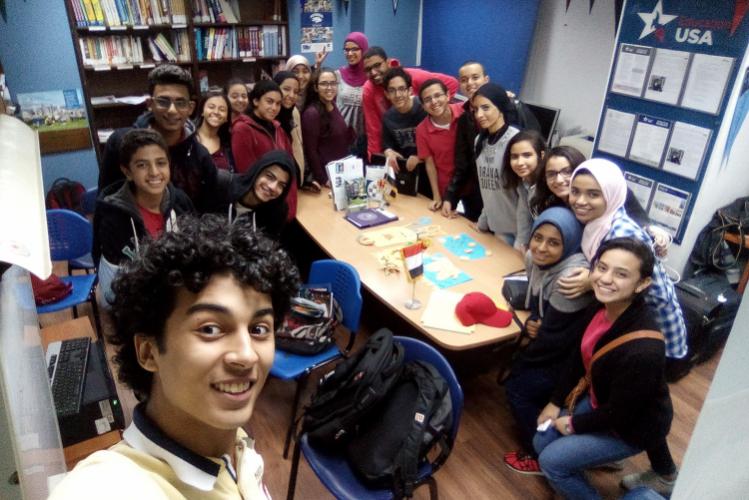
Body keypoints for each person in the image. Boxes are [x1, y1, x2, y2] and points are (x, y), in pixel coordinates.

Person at [50, 214, 300, 499]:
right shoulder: (109, 486)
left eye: (258, 329)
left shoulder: (235, 444)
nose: (247, 355)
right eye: (210, 328)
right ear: (148, 351)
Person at [533, 237, 677, 499]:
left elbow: (621, 414)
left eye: (621, 274)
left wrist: (575, 424)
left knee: (552, 462)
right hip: (607, 402)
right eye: (601, 267)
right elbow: (578, 357)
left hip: (632, 425)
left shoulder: (643, 350)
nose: (605, 279)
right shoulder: (603, 305)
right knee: (542, 440)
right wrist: (555, 402)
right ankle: (595, 457)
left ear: (642, 283)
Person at [557, 158, 687, 360]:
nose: (580, 201)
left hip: (653, 333)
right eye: (575, 192)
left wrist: (592, 280)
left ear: (612, 195)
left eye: (593, 194)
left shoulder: (623, 234)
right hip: (623, 316)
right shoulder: (600, 222)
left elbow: (655, 292)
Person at [503, 207, 592, 476]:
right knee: (518, 374)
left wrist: (521, 354)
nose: (541, 248)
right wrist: (535, 321)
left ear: (569, 243)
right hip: (557, 341)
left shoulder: (570, 278)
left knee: (517, 388)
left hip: (573, 357)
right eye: (537, 237)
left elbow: (555, 341)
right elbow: (541, 307)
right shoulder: (533, 257)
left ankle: (542, 453)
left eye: (554, 242)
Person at [98, 64, 218, 214]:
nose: (172, 110)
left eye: (180, 103)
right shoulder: (121, 143)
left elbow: (211, 212)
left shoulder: (200, 156)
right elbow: (105, 203)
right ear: (150, 104)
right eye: (163, 101)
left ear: (191, 108)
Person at [93, 129, 194, 304]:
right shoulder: (114, 218)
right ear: (127, 172)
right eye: (142, 165)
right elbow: (110, 293)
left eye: (161, 163)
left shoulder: (180, 202)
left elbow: (197, 257)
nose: (154, 172)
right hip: (136, 308)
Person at [361, 46, 459, 160]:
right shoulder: (369, 91)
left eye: (377, 65)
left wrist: (431, 108)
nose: (373, 72)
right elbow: (373, 129)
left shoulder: (413, 77)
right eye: (368, 69)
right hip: (401, 151)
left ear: (387, 62)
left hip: (430, 150)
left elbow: (452, 84)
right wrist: (376, 161)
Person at [231, 80, 297, 218]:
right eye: (269, 101)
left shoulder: (278, 128)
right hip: (262, 209)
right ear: (255, 101)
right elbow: (247, 174)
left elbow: (290, 166)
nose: (274, 108)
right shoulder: (242, 129)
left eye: (278, 104)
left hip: (283, 205)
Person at [471, 82, 520, 246]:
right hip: (498, 228)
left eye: (486, 108)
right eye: (476, 109)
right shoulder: (479, 140)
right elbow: (489, 191)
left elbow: (525, 197)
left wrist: (524, 239)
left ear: (500, 108)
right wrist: (482, 222)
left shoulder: (516, 141)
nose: (479, 114)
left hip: (520, 233)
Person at [442, 60, 489, 222]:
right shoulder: (464, 118)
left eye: (475, 77)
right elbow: (462, 163)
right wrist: (450, 197)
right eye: (464, 80)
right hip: (477, 193)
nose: (470, 83)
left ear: (486, 80)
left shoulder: (508, 110)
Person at [415, 78, 467, 212]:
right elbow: (429, 163)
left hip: (473, 188)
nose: (434, 102)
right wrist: (436, 196)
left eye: (438, 95)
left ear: (448, 95)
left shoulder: (464, 111)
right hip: (448, 191)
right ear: (422, 106)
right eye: (427, 100)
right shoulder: (421, 130)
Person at [301, 67, 355, 185]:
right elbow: (311, 152)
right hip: (327, 178)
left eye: (333, 83)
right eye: (324, 84)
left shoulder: (332, 105)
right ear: (316, 87)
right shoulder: (312, 114)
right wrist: (323, 179)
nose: (329, 87)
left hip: (340, 172)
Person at [380, 67, 428, 195]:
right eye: (392, 90)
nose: (398, 95)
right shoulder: (388, 117)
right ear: (386, 94)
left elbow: (439, 142)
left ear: (410, 90)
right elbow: (386, 144)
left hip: (430, 173)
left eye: (402, 89)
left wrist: (420, 156)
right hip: (407, 175)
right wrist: (388, 152)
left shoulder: (424, 109)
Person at [229, 150, 296, 238]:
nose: (273, 187)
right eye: (269, 177)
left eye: (281, 185)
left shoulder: (277, 212)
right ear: (257, 171)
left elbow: (266, 245)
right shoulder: (223, 186)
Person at [501, 130, 548, 251]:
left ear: (541, 156)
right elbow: (524, 217)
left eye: (527, 155)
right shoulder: (523, 182)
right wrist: (520, 247)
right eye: (514, 157)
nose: (520, 162)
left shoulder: (548, 185)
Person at [272, 71, 306, 186]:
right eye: (286, 89)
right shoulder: (269, 117)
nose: (291, 95)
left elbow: (298, 149)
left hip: (295, 184)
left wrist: (304, 179)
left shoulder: (294, 112)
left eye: (296, 92)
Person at [336, 31, 369, 138]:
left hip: (365, 138)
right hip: (340, 136)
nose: (350, 53)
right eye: (346, 50)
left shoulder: (372, 77)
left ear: (364, 49)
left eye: (354, 49)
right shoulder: (338, 75)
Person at [195, 88, 236, 172]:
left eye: (222, 110)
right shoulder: (188, 137)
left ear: (227, 118)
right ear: (202, 111)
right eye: (211, 107)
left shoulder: (228, 142)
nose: (216, 112)